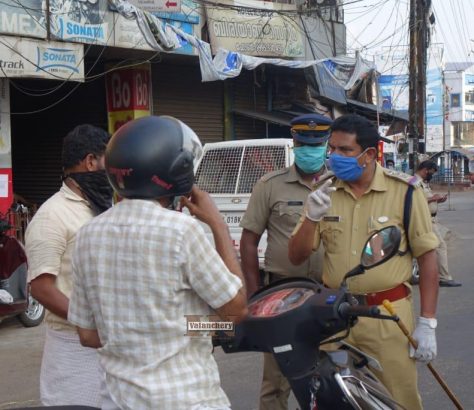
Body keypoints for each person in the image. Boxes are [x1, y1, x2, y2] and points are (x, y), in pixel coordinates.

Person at [68, 115, 248, 410]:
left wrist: (159, 326)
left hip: (118, 400)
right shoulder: (182, 231)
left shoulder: (87, 235)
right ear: (177, 171)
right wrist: (218, 225)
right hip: (186, 399)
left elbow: (88, 335)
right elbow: (236, 311)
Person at [288, 114, 440, 410]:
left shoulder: (405, 191)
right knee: (334, 398)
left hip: (386, 315)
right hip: (334, 316)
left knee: (399, 398)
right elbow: (296, 256)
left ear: (369, 154)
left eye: (345, 150)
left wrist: (428, 323)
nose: (334, 157)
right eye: (332, 149)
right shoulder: (323, 191)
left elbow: (427, 256)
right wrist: (311, 217)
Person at [239, 113, 331, 410]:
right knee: (276, 382)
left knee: (331, 374)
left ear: (327, 145)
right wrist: (254, 294)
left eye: (317, 145)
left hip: (329, 293)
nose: (311, 150)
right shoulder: (270, 185)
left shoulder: (341, 184)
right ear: (295, 144)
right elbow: (249, 241)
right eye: (305, 144)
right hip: (282, 296)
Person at [25, 124, 112, 406]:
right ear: (90, 162)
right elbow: (40, 287)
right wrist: (88, 323)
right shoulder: (52, 216)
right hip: (72, 351)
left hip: (108, 345)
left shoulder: (101, 207)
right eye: (107, 162)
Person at [415, 160, 461, 287]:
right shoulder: (414, 182)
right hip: (425, 220)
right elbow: (414, 201)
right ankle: (444, 278)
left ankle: (417, 273)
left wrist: (438, 200)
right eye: (431, 173)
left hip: (432, 219)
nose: (432, 175)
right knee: (440, 246)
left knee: (426, 248)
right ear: (425, 170)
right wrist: (432, 198)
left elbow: (426, 200)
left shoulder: (424, 183)